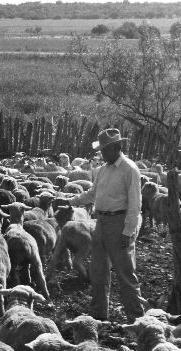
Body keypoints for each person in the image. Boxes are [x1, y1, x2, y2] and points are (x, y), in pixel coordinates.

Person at [68, 128, 145, 323]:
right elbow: (92, 193)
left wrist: (128, 232)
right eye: (101, 150)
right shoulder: (102, 170)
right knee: (98, 270)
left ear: (116, 147)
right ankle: (98, 313)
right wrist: (71, 201)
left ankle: (137, 320)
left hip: (119, 223)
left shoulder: (129, 169)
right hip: (101, 222)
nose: (102, 154)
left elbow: (135, 205)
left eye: (105, 150)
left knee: (125, 272)